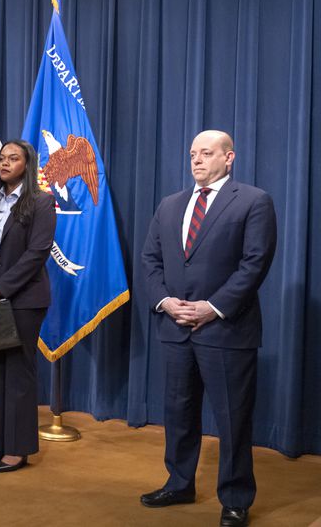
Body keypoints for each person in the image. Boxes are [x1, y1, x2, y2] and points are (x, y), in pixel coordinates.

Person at [140, 130, 277, 527]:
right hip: (176, 327)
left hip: (227, 331)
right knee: (179, 412)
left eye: (206, 153)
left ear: (229, 157)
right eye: (192, 154)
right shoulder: (170, 205)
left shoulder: (254, 201)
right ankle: (179, 482)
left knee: (233, 419)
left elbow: (254, 264)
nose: (196, 160)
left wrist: (213, 308)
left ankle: (235, 498)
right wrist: (165, 301)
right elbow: (151, 260)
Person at [0, 139, 56, 473]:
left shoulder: (42, 202)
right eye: (2, 158)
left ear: (26, 165)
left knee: (18, 372)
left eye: (13, 158)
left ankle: (18, 449)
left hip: (24, 300)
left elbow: (37, 253)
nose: (4, 163)